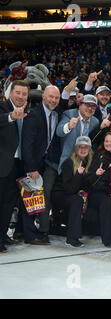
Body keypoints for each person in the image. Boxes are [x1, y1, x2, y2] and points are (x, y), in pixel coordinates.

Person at [21, 85, 61, 245]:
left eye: (56, 98)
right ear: (43, 96)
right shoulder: (33, 115)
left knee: (43, 195)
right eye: (51, 96)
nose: (53, 100)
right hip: (34, 163)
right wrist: (31, 168)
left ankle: (41, 231)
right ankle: (29, 233)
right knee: (30, 197)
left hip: (49, 162)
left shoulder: (56, 114)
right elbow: (27, 144)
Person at [0, 80, 29, 252]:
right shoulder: (3, 107)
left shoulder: (27, 110)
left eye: (24, 94)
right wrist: (12, 116)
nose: (20, 96)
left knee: (9, 203)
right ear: (11, 93)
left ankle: (2, 235)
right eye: (18, 93)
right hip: (3, 164)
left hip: (18, 165)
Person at [53, 136, 93, 248]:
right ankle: (71, 239)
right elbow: (69, 189)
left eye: (86, 147)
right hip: (60, 194)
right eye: (80, 147)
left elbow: (87, 184)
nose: (83, 150)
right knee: (77, 200)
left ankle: (81, 231)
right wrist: (79, 174)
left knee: (81, 199)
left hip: (74, 194)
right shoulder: (68, 163)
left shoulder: (89, 162)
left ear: (89, 149)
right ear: (76, 149)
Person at [85, 132, 111, 247]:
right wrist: (96, 174)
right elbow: (90, 178)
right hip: (96, 193)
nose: (109, 144)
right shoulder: (100, 156)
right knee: (107, 202)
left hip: (108, 191)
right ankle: (107, 239)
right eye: (106, 141)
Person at [56, 94, 103, 173]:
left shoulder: (95, 121)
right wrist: (69, 126)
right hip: (68, 162)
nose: (90, 108)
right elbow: (59, 132)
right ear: (80, 105)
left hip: (86, 164)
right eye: (87, 105)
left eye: (93, 106)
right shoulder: (69, 114)